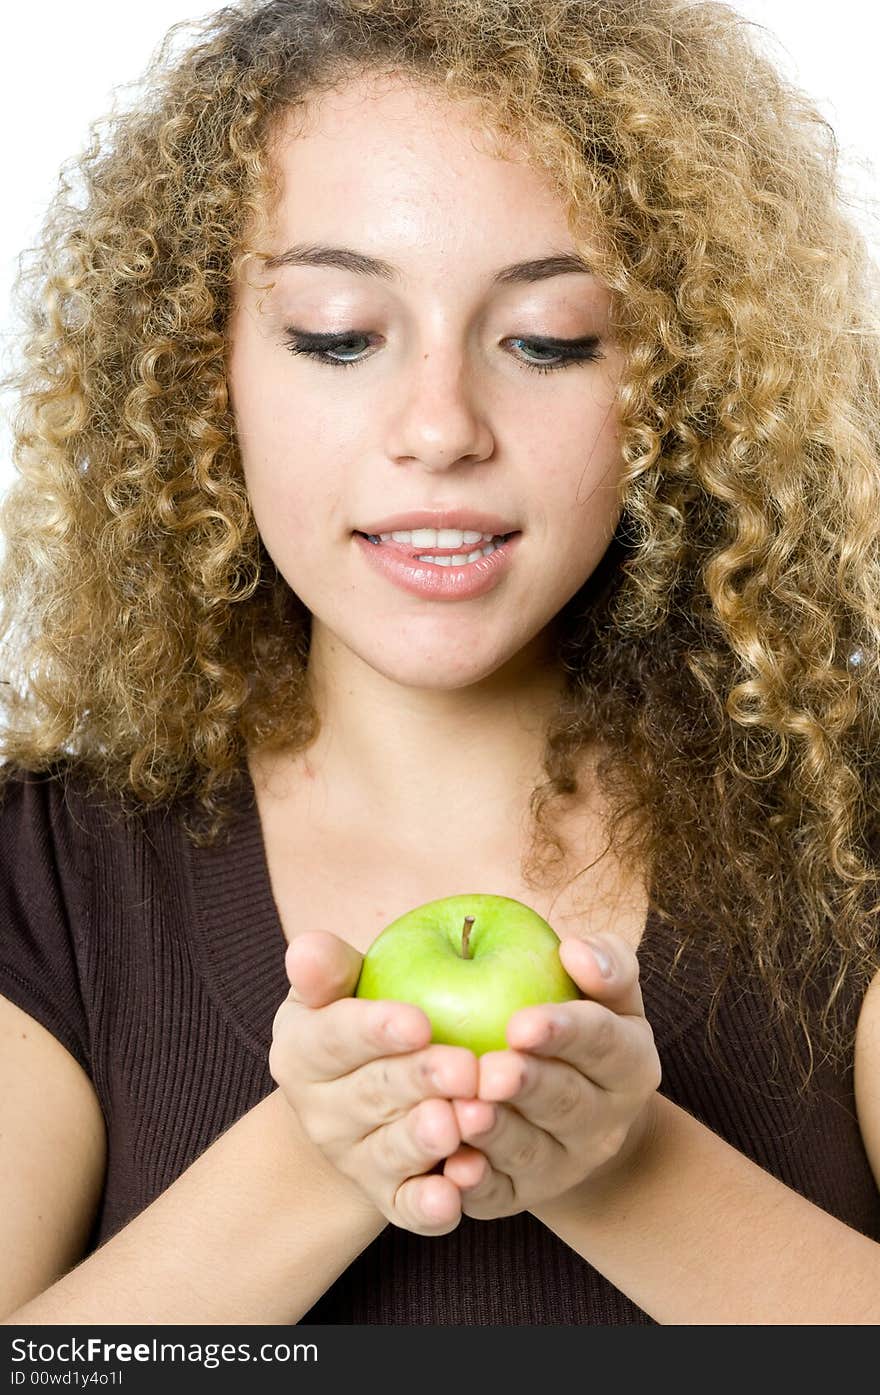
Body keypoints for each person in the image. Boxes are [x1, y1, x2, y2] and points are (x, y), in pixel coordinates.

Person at [0, 0, 878, 1326]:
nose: (440, 428)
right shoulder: (44, 874)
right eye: (341, 334)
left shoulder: (852, 829)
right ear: (203, 371)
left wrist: (619, 1166)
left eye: (549, 338)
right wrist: (319, 1153)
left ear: (671, 384)